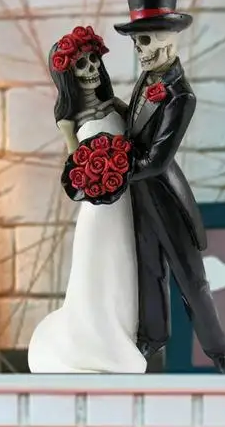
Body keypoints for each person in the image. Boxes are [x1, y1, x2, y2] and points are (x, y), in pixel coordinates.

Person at [114, 0, 225, 374]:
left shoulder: (181, 96)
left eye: (146, 41)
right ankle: (152, 338)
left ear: (169, 40)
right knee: (148, 270)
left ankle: (218, 351)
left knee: (190, 280)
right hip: (140, 199)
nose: (140, 51)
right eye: (136, 43)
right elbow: (135, 125)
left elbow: (156, 160)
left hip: (165, 199)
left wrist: (113, 172)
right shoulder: (147, 79)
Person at [27, 26, 147, 374]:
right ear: (68, 76)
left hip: (125, 204)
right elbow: (75, 166)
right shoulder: (70, 120)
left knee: (123, 268)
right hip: (98, 209)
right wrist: (94, 172)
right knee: (99, 268)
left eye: (94, 60)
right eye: (82, 65)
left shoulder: (115, 106)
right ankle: (96, 341)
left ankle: (123, 331)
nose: (92, 68)